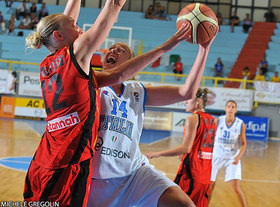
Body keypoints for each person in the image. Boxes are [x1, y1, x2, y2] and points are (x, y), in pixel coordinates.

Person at [23, 0, 192, 205]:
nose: (79, 27)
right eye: (75, 25)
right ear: (59, 35)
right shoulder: (77, 55)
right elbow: (111, 10)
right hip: (66, 166)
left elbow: (62, 25)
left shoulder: (51, 61)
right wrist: (169, 43)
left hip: (44, 159)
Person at [87, 35, 217, 207]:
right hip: (93, 177)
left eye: (121, 49)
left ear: (132, 63)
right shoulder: (91, 82)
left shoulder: (137, 91)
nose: (112, 50)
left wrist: (204, 49)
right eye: (112, 48)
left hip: (134, 174)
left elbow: (187, 93)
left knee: (184, 204)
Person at [147, 88, 216, 207]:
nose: (185, 102)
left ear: (198, 101)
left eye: (188, 99)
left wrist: (157, 153)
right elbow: (199, 146)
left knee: (170, 202)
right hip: (205, 175)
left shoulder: (193, 118)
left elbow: (186, 148)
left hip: (191, 174)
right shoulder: (212, 120)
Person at [208, 100, 247, 207]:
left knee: (236, 188)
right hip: (216, 156)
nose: (230, 109)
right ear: (225, 108)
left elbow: (243, 144)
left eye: (233, 107)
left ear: (236, 110)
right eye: (228, 106)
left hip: (232, 158)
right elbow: (209, 139)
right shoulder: (218, 121)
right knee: (210, 186)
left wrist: (238, 157)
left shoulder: (240, 124)